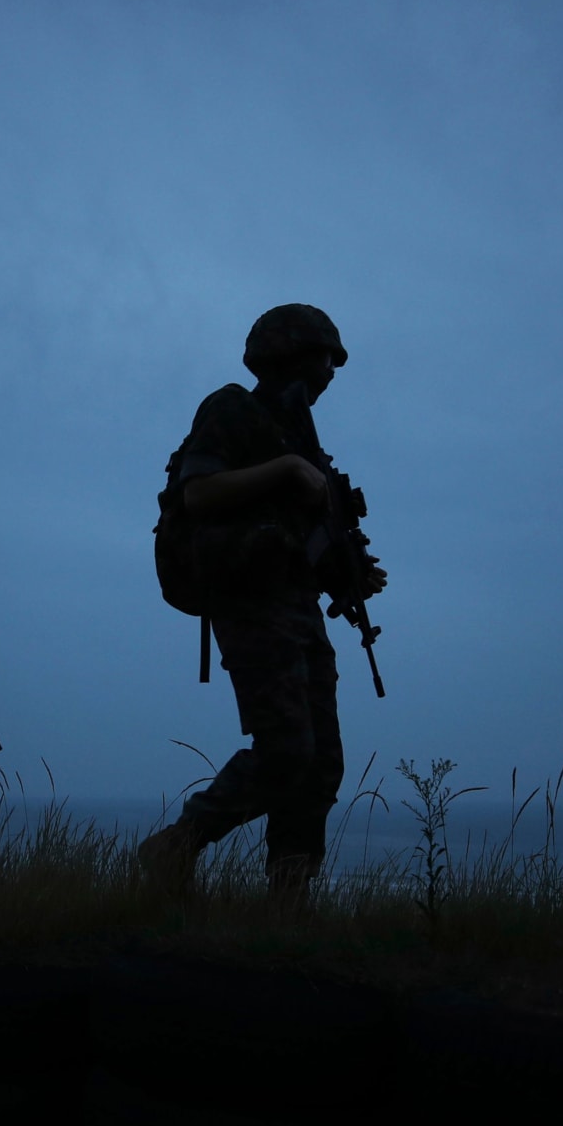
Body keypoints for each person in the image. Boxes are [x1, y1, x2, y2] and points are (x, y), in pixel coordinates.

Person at [137, 303, 388, 899]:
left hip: (298, 610)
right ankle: (177, 844)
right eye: (326, 360)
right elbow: (197, 494)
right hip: (249, 601)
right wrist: (285, 470)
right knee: (286, 751)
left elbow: (304, 540)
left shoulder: (302, 441)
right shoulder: (233, 410)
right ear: (293, 355)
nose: (331, 374)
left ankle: (288, 900)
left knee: (321, 763)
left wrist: (350, 571)